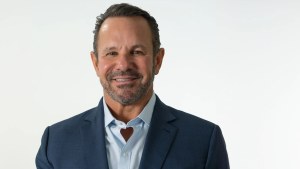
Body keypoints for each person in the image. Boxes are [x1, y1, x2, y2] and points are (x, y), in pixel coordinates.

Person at [36, 3, 230, 169]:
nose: (123, 65)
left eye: (136, 51)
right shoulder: (56, 143)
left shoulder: (204, 140)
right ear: (95, 63)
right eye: (111, 53)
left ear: (158, 60)